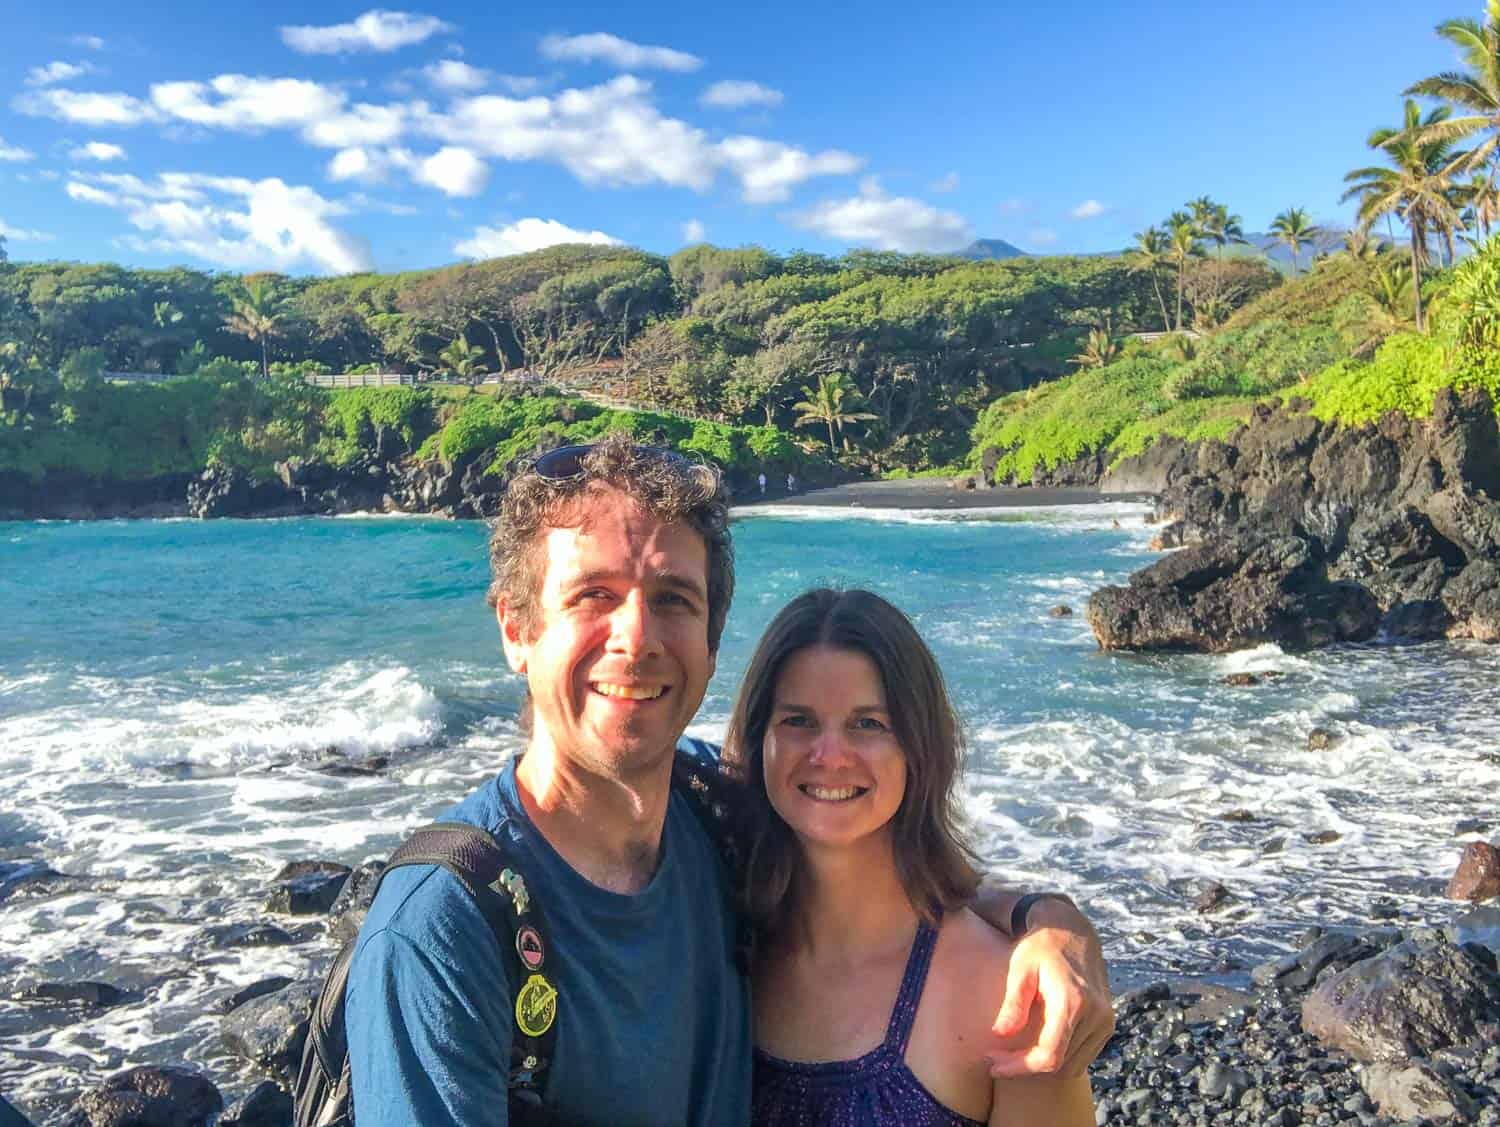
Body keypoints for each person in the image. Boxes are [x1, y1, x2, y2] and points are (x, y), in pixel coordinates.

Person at [345, 436, 1112, 1125]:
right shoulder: (445, 928)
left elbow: (868, 858)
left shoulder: (714, 815)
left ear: (712, 643)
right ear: (516, 629)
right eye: (593, 595)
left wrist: (1046, 920)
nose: (637, 636)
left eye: (673, 599)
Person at [726, 589, 1096, 1125]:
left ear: (919, 747)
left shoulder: (1010, 997)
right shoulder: (717, 942)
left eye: (868, 723)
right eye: (798, 721)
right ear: (759, 738)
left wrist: (1053, 919)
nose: (829, 755)